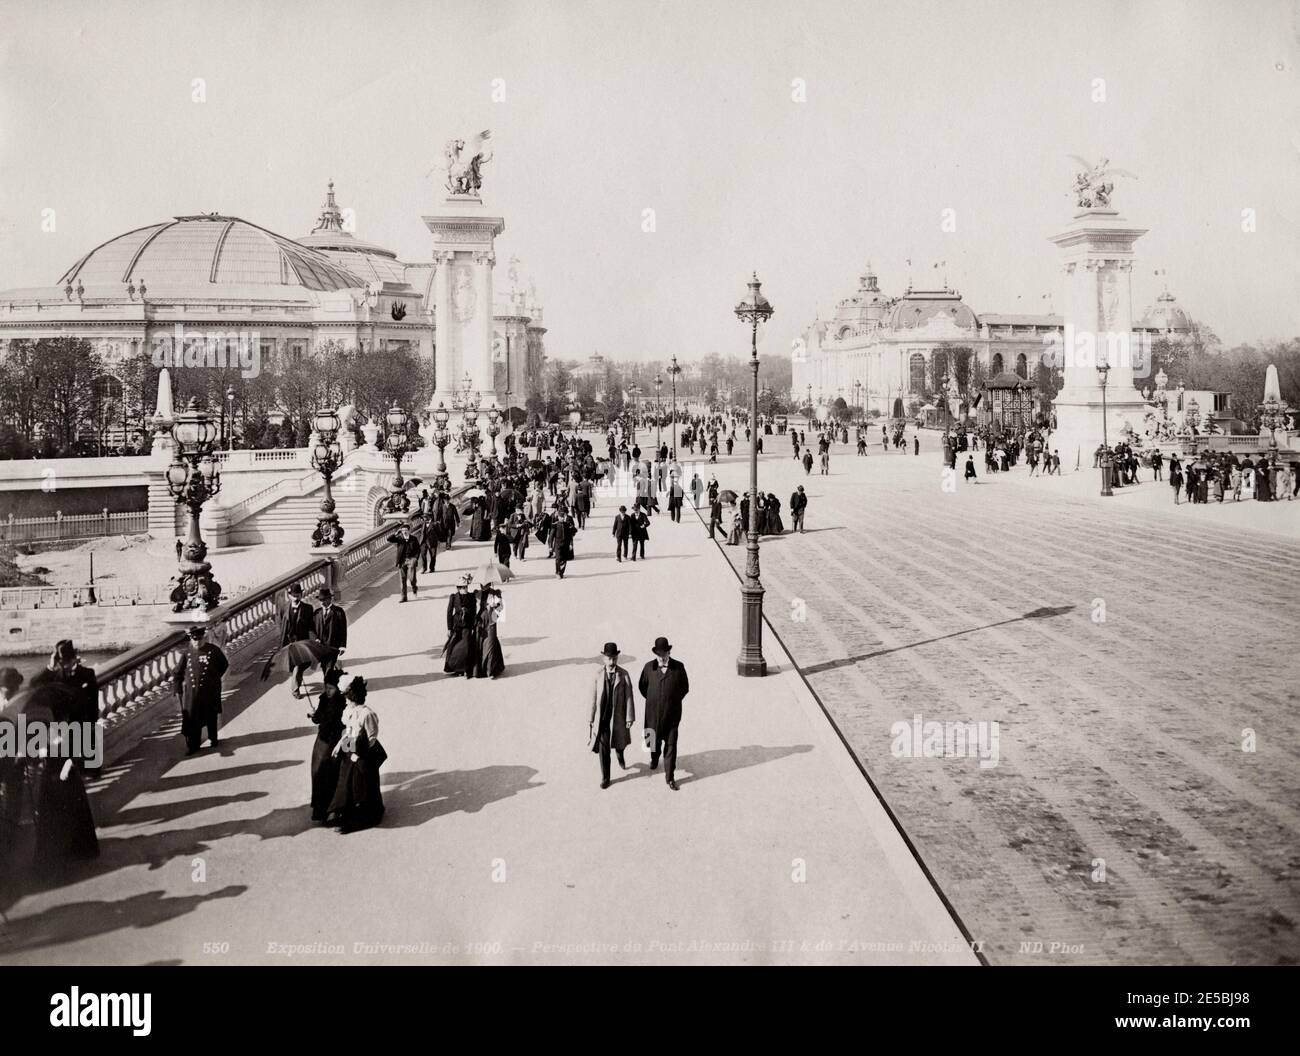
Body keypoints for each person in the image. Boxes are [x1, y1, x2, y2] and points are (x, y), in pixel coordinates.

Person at [328, 676, 386, 833]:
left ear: (353, 697)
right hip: (350, 748)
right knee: (347, 782)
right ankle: (346, 815)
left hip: (363, 754)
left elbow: (372, 738)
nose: (345, 701)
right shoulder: (349, 711)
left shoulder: (367, 714)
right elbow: (348, 730)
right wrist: (340, 744)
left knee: (364, 785)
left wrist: (359, 755)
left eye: (347, 698)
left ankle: (368, 817)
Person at [639, 637, 689, 791]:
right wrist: (654, 700)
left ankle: (670, 777)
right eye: (659, 654)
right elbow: (642, 687)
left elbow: (684, 688)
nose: (662, 657)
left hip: (672, 716)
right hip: (652, 714)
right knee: (652, 742)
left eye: (665, 653)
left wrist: (671, 700)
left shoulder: (679, 667)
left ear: (669, 652)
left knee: (671, 746)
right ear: (655, 653)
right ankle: (654, 759)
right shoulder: (648, 668)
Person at [173, 625, 228, 755]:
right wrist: (177, 688)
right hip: (192, 693)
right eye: (194, 639)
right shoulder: (187, 653)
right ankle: (193, 744)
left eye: (199, 639)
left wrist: (214, 679)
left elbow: (224, 665)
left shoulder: (213, 650)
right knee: (192, 718)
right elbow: (177, 672)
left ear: (203, 638)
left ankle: (213, 738)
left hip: (210, 691)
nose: (197, 642)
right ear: (191, 640)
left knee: (211, 715)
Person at [588, 642, 635, 789]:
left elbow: (629, 696)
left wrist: (629, 717)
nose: (612, 662)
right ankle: (605, 777)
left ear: (617, 658)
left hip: (618, 718)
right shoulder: (598, 675)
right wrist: (591, 718)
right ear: (603, 659)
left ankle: (620, 754)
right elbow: (593, 699)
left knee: (619, 743)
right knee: (604, 749)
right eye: (609, 658)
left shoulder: (624, 674)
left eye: (614, 658)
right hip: (602, 719)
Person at [32, 639, 98, 728]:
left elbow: (93, 701)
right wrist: (50, 666)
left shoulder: (87, 674)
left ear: (74, 659)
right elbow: (34, 683)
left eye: (66, 661)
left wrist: (92, 724)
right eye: (60, 661)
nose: (63, 664)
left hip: (82, 727)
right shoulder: (54, 677)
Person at [309, 668, 346, 822]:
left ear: (339, 688)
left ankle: (333, 809)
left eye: (331, 688)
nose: (328, 691)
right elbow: (318, 719)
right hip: (322, 740)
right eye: (326, 687)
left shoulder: (343, 702)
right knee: (317, 772)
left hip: (334, 741)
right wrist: (314, 715)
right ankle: (320, 809)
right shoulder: (324, 698)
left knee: (330, 773)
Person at [280, 583, 316, 697]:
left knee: (302, 664)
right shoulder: (284, 608)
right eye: (293, 595)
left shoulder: (308, 609)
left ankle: (296, 685)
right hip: (289, 643)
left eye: (298, 594)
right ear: (289, 596)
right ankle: (296, 686)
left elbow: (311, 626)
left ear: (301, 595)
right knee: (296, 666)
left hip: (303, 642)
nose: (296, 597)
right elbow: (282, 625)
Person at [443, 574, 479, 677]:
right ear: (458, 588)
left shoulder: (471, 597)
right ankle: (454, 667)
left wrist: (472, 624)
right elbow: (449, 612)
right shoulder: (453, 597)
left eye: (466, 587)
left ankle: (466, 668)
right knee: (452, 645)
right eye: (462, 587)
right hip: (456, 625)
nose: (465, 589)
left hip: (467, 625)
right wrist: (449, 628)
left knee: (466, 644)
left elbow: (474, 612)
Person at [314, 588, 348, 678]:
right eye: (320, 600)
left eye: (324, 599)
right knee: (324, 667)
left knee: (329, 668)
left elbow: (343, 630)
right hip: (321, 647)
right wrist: (315, 638)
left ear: (330, 599)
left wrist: (342, 646)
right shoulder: (317, 613)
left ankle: (329, 687)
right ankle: (331, 684)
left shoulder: (338, 612)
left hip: (333, 646)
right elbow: (312, 629)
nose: (321, 602)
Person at [387, 521, 422, 603]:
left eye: (406, 530)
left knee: (412, 578)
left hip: (411, 559)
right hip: (402, 561)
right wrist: (396, 533)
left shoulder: (414, 539)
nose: (404, 532)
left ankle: (414, 587)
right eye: (403, 530)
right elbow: (389, 539)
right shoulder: (399, 538)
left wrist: (415, 558)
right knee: (402, 580)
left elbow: (418, 549)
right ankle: (404, 597)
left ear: (409, 530)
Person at [476, 585, 506, 678]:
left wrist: (495, 606)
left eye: (486, 584)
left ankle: (491, 670)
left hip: (491, 619)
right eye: (482, 584)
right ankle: (481, 669)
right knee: (481, 642)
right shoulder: (477, 593)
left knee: (491, 642)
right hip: (481, 620)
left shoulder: (495, 593)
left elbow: (501, 608)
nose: (483, 585)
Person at [552, 509, 575, 579]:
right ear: (558, 517)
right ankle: (557, 572)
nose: (562, 518)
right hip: (558, 545)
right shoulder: (555, 525)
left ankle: (561, 573)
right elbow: (551, 537)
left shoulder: (567, 525)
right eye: (560, 517)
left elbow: (570, 535)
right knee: (558, 558)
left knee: (564, 559)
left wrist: (571, 544)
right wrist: (550, 546)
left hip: (566, 545)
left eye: (563, 517)